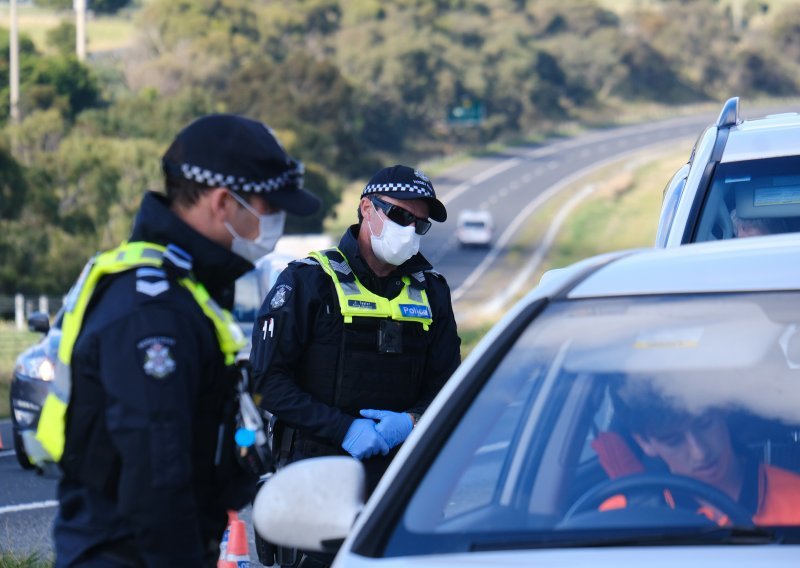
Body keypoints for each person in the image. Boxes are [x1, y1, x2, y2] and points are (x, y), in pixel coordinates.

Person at [35, 114, 320, 566]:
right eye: (270, 207)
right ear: (223, 202)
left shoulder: (183, 288)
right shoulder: (154, 311)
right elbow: (157, 483)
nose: (276, 224)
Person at [249, 164, 461, 564]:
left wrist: (411, 422)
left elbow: (450, 386)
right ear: (367, 208)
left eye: (421, 224)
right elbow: (266, 381)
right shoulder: (308, 281)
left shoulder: (431, 291)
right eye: (400, 215)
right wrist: (343, 428)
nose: (410, 230)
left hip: (400, 480)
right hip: (317, 477)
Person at [604, 384, 800, 526]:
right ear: (644, 443)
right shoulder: (622, 515)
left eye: (705, 425)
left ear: (725, 407)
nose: (700, 453)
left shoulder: (796, 497)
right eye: (674, 441)